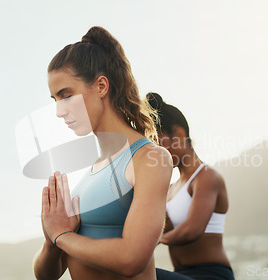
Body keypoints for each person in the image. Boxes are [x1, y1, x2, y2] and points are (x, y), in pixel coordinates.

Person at [33, 26, 173, 280]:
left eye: (66, 96)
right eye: (55, 99)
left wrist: (62, 236)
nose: (59, 111)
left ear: (100, 86)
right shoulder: (90, 173)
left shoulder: (149, 159)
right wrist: (50, 238)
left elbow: (132, 259)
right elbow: (46, 276)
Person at [147, 93, 235, 280]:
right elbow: (158, 229)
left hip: (211, 275)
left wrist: (156, 239)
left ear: (178, 135)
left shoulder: (206, 177)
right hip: (182, 274)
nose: (157, 153)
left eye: (160, 144)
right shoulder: (171, 188)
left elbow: (191, 230)